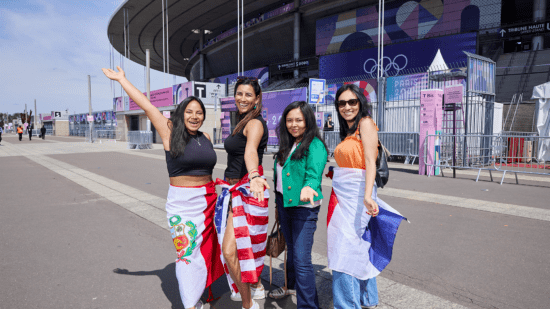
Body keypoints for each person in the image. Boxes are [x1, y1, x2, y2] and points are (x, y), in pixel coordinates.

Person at [102, 66, 224, 309]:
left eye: (199, 112)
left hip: (209, 201)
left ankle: (202, 292)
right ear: (181, 114)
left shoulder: (206, 138)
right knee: (187, 254)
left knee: (208, 251)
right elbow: (147, 105)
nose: (194, 116)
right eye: (189, 111)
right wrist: (122, 80)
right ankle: (191, 304)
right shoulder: (169, 132)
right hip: (182, 204)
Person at [268, 101, 328, 308]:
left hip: (304, 210)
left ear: (308, 121)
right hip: (285, 206)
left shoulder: (315, 145)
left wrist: (309, 186)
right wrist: (278, 205)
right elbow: (279, 180)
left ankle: (308, 306)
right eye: (289, 120)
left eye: (299, 120)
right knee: (292, 252)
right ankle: (290, 286)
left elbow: (314, 173)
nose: (294, 124)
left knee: (302, 261)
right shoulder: (288, 144)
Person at [217, 76, 270, 309]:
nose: (243, 98)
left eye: (249, 95)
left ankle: (249, 304)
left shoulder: (255, 123)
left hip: (244, 192)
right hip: (232, 191)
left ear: (257, 98)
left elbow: (250, 152)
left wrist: (255, 175)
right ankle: (255, 287)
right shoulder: (241, 120)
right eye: (239, 93)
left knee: (230, 251)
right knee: (241, 248)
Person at [329, 84, 382, 309]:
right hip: (345, 196)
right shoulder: (348, 131)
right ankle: (368, 299)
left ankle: (346, 305)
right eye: (342, 103)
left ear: (360, 103)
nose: (347, 107)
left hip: (360, 196)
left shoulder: (366, 124)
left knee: (343, 252)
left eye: (352, 102)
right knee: (357, 247)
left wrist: (368, 196)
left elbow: (370, 162)